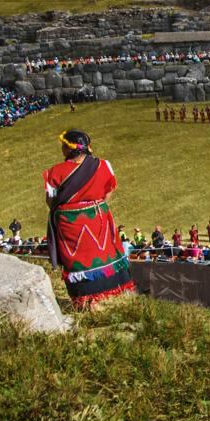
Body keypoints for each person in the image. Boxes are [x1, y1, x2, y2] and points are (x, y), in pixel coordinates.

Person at [43, 129, 134, 308]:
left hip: (70, 223)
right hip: (98, 216)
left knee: (78, 261)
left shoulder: (54, 172)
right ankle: (114, 296)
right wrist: (96, 204)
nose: (62, 149)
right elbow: (109, 190)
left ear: (70, 149)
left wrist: (69, 209)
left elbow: (50, 200)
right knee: (105, 254)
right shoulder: (104, 165)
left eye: (63, 145)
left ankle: (85, 301)